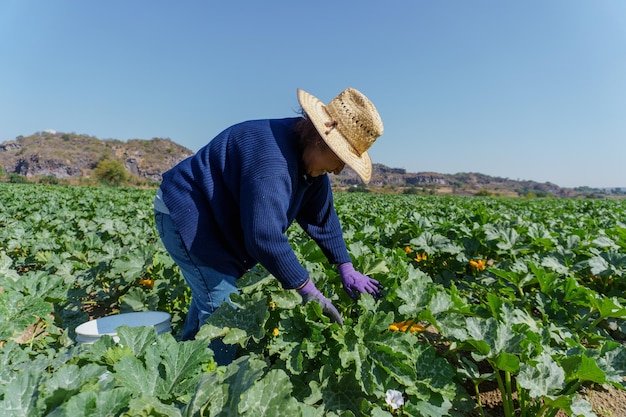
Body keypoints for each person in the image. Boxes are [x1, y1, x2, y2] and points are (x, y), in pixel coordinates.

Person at [153, 87, 384, 364]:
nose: (338, 170)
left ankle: (183, 360)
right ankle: (213, 386)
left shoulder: (308, 160)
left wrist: (345, 265)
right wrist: (307, 289)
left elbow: (322, 217)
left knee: (212, 296)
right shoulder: (273, 160)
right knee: (225, 313)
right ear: (321, 141)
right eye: (341, 160)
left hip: (216, 218)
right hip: (187, 215)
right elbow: (263, 237)